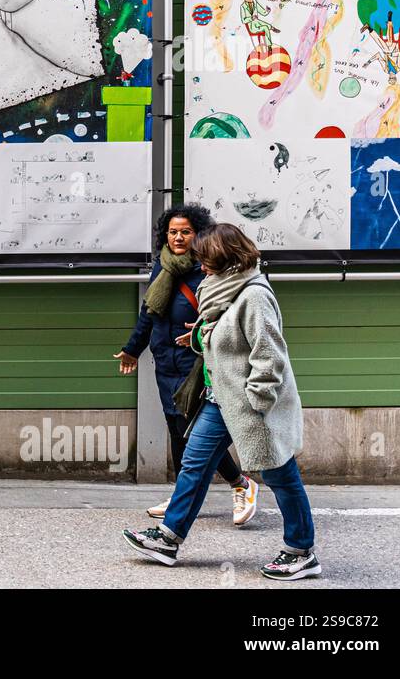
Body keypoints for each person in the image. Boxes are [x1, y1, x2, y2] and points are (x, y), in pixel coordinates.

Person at [123, 223, 320, 581]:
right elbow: (226, 332)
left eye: (207, 259)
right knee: (194, 467)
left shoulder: (255, 294)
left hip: (251, 405)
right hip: (218, 400)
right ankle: (168, 538)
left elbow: (269, 354)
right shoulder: (222, 288)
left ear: (227, 257)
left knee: (280, 475)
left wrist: (258, 400)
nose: (202, 265)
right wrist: (199, 336)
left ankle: (301, 550)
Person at [114, 204, 258, 524]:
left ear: (198, 234)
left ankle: (241, 484)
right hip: (165, 359)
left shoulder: (208, 268)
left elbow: (225, 315)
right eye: (172, 232)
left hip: (196, 363)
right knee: (177, 431)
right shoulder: (162, 267)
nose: (178, 238)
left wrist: (202, 333)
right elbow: (149, 313)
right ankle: (182, 496)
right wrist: (132, 350)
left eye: (186, 232)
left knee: (196, 434)